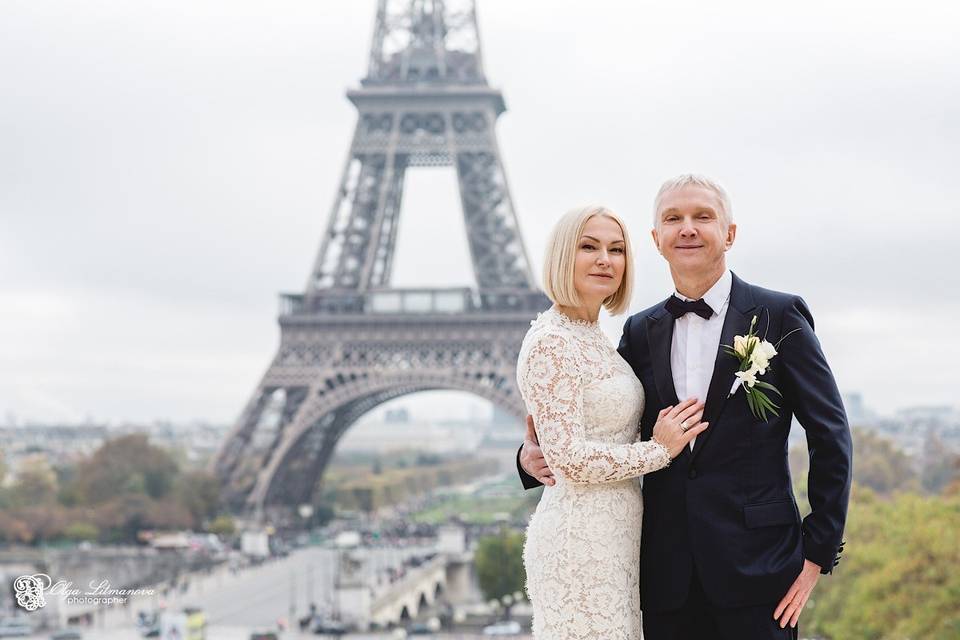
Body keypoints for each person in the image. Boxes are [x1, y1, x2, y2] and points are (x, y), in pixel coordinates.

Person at [519, 175, 852, 640]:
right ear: (656, 240)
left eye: (703, 216)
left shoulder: (780, 315)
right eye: (673, 219)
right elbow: (602, 421)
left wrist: (817, 553)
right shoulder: (638, 331)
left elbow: (830, 434)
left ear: (729, 233)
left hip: (760, 570)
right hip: (663, 574)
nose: (687, 228)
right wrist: (529, 456)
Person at [517, 204, 709, 640]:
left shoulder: (595, 337)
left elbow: (571, 427)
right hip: (581, 543)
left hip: (617, 537)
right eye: (589, 247)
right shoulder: (552, 341)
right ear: (563, 256)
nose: (605, 258)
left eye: (616, 249)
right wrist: (659, 451)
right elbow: (568, 460)